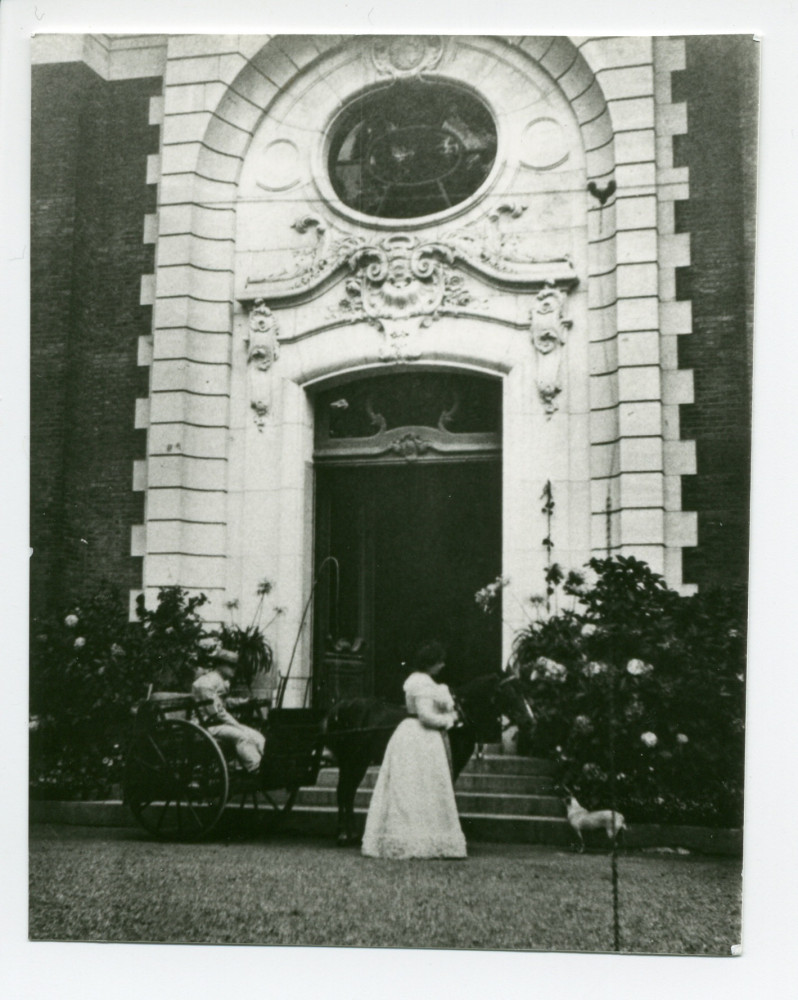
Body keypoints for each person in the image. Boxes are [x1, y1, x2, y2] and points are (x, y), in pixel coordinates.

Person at [361, 641, 467, 859]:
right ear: (431, 663)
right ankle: (413, 838)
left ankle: (420, 836)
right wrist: (450, 719)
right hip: (419, 736)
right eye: (439, 662)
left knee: (419, 786)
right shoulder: (421, 683)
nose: (442, 665)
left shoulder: (421, 681)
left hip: (417, 736)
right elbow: (425, 716)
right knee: (416, 786)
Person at [191, 646, 265, 774]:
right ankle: (256, 770)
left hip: (218, 723)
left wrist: (242, 701)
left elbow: (223, 703)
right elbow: (216, 712)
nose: (234, 669)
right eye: (231, 666)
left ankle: (265, 766)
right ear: (220, 665)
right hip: (206, 725)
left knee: (258, 737)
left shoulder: (220, 681)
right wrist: (236, 724)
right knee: (243, 736)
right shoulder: (206, 683)